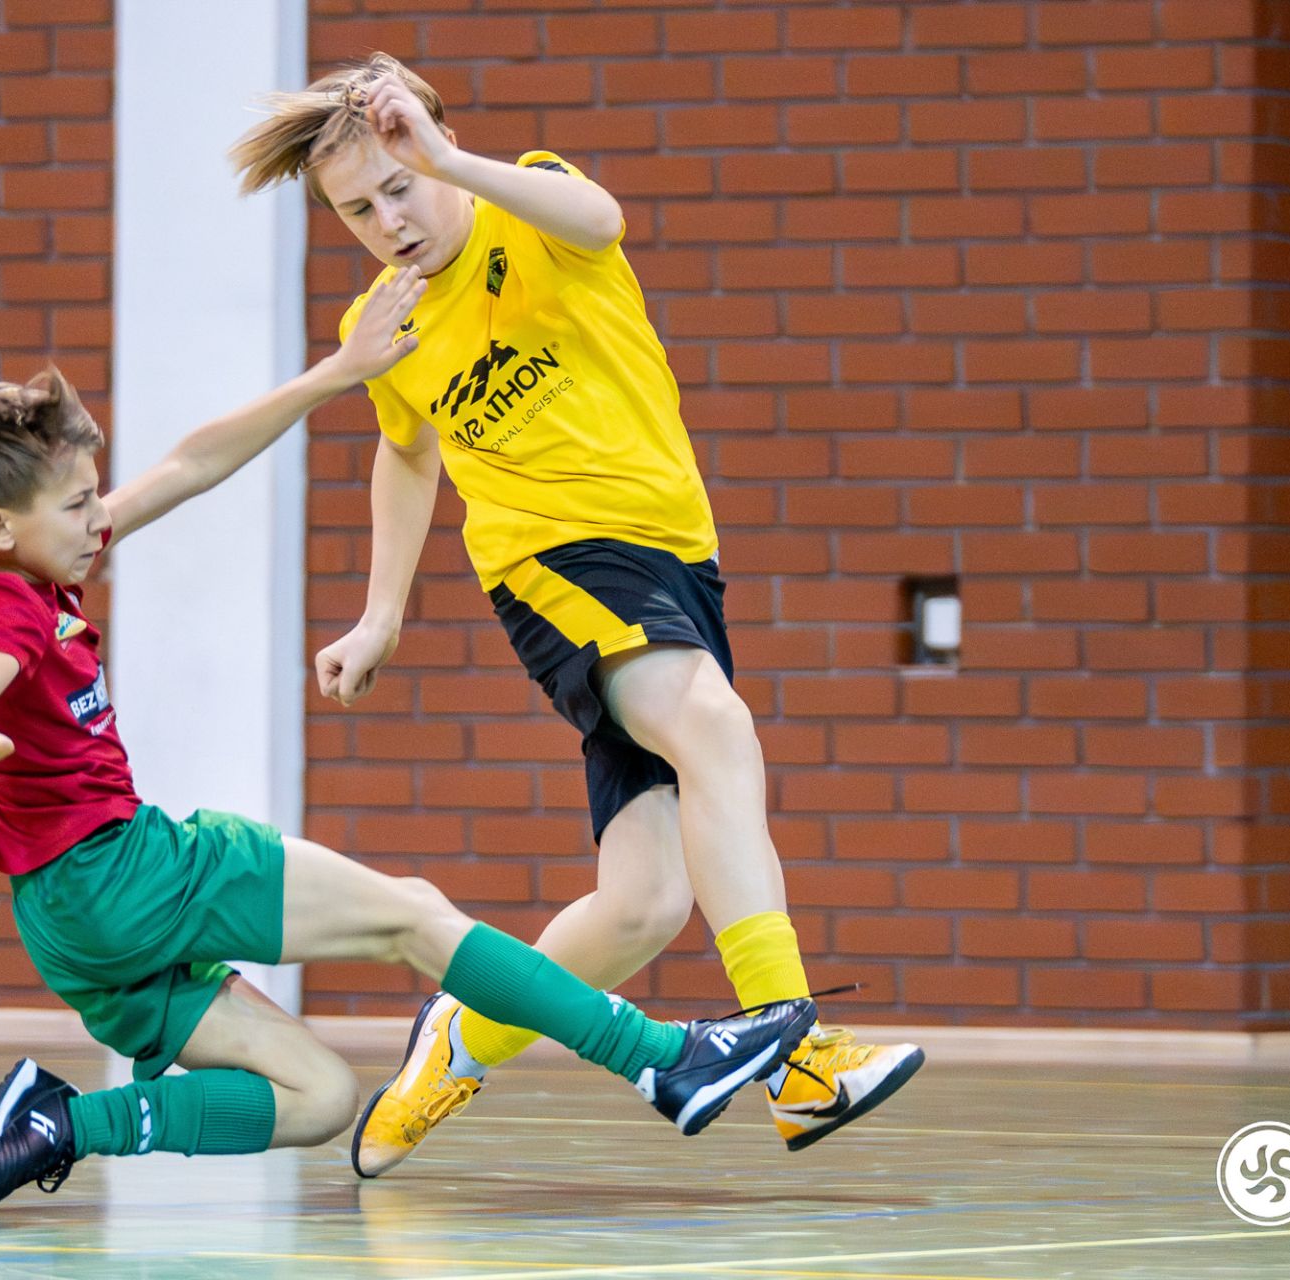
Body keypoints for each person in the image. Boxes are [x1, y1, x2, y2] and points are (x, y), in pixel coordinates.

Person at [0, 267, 815, 1214]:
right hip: (125, 871)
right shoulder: (4, 607)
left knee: (320, 1098)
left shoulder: (5, 557)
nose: (102, 518)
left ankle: (58, 1123)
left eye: (97, 495)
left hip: (66, 924)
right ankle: (663, 1061)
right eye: (80, 506)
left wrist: (338, 372)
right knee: (412, 917)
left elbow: (189, 465)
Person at [231, 54, 924, 1179]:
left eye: (400, 185)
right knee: (716, 728)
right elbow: (406, 457)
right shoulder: (385, 322)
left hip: (674, 555)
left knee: (643, 904)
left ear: (437, 148)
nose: (388, 221)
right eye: (357, 209)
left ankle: (465, 1034)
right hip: (553, 563)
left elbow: (604, 219)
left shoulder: (534, 204)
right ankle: (796, 1056)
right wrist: (380, 613)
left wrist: (450, 161)